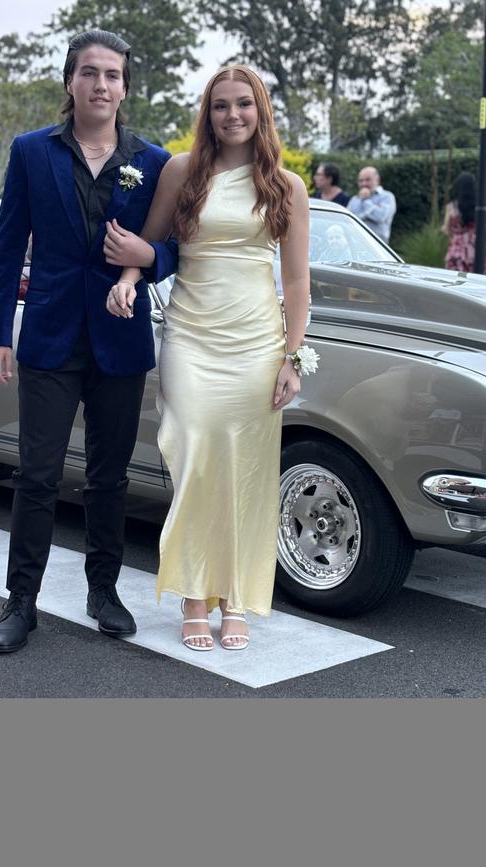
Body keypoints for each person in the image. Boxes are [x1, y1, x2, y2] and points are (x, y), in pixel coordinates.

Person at [105, 65, 313, 651]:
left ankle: (236, 597)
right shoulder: (182, 171)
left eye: (243, 104)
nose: (232, 116)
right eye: (220, 106)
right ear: (208, 112)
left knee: (245, 470)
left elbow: (297, 283)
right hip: (191, 338)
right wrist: (126, 279)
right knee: (195, 458)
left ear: (260, 110)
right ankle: (196, 594)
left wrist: (292, 357)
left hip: (255, 344)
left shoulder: (287, 187)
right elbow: (149, 242)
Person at [0, 29, 176, 653]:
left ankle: (103, 591)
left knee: (109, 477)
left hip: (119, 339)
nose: (101, 85)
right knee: (37, 476)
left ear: (125, 87)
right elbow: (8, 246)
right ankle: (21, 602)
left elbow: (176, 245)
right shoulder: (32, 152)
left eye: (113, 75)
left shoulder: (152, 161)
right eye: (90, 73)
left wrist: (148, 257)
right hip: (49, 335)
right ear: (70, 81)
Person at [348, 166, 396, 243]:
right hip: (355, 243)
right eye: (361, 181)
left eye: (368, 180)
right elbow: (348, 221)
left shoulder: (387, 197)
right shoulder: (354, 199)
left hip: (377, 245)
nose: (364, 184)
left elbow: (380, 217)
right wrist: (373, 210)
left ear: (377, 180)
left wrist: (366, 200)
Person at [442, 172, 477, 272]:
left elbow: (446, 229)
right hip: (474, 250)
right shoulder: (478, 207)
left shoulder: (451, 207)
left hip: (456, 251)